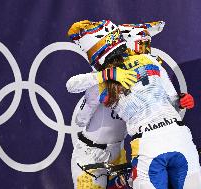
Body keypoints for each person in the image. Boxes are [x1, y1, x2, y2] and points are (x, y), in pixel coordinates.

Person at [68, 21, 201, 189]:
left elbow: (73, 90)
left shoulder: (103, 79)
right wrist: (178, 101)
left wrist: (107, 75)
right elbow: (170, 100)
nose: (143, 47)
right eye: (141, 43)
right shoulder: (148, 59)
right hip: (177, 136)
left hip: (137, 145)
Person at [67, 20, 137, 189]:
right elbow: (71, 86)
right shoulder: (99, 82)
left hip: (117, 154)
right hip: (90, 157)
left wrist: (177, 102)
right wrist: (103, 77)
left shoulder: (133, 73)